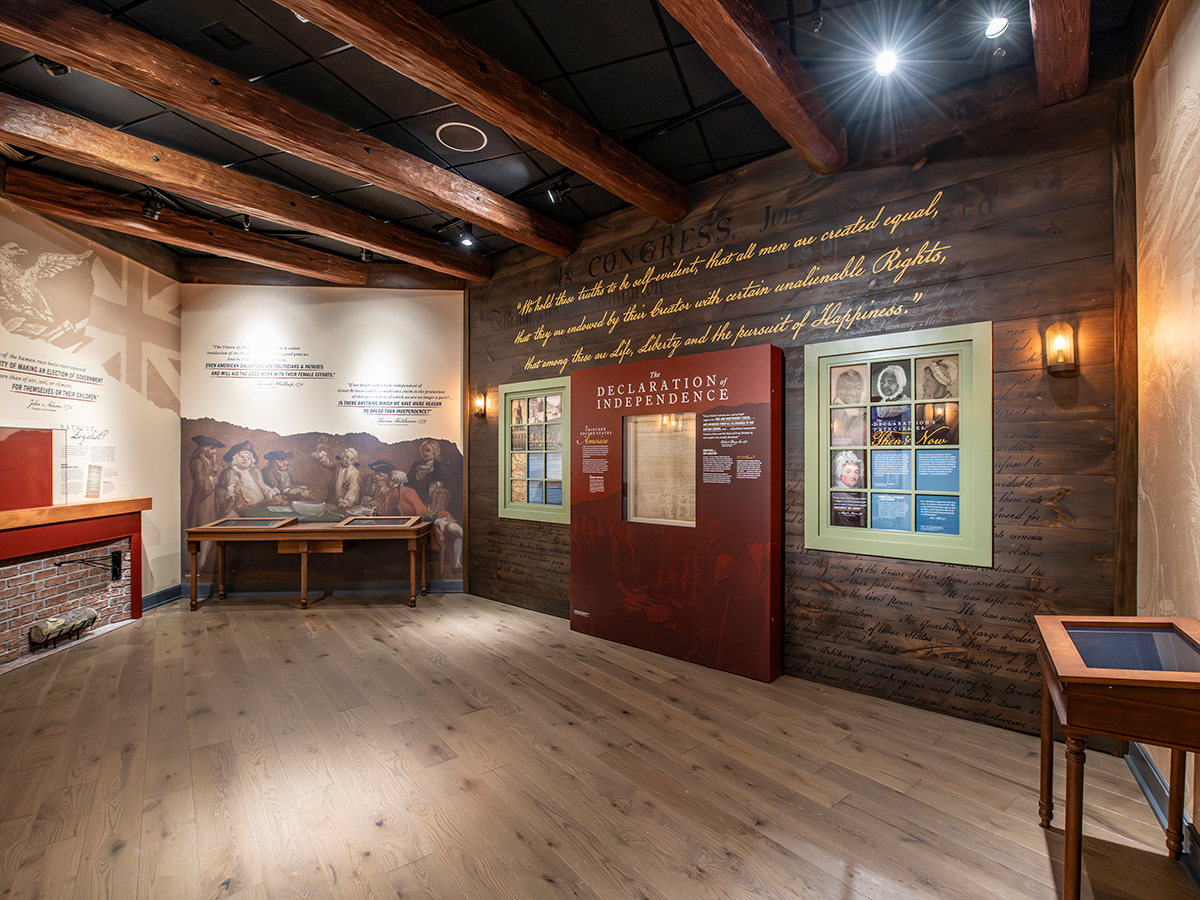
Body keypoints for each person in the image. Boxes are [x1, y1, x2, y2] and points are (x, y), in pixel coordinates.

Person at [216, 441, 279, 517]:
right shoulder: (230, 473)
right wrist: (233, 492)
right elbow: (224, 493)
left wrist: (270, 492)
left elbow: (262, 485)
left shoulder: (255, 471)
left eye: (248, 458)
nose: (245, 459)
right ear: (235, 459)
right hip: (239, 509)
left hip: (260, 505)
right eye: (242, 457)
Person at [312, 438, 363, 510]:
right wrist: (319, 450)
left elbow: (353, 489)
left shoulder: (354, 472)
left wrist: (346, 502)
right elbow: (326, 463)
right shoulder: (338, 465)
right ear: (342, 456)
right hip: (335, 500)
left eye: (351, 459)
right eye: (346, 457)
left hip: (346, 504)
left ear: (353, 461)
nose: (348, 460)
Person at [187, 435, 224, 527]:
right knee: (202, 524)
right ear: (203, 448)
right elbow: (200, 483)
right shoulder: (197, 462)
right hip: (201, 501)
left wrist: (215, 471)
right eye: (212, 448)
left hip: (209, 500)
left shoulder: (208, 462)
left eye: (215, 449)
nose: (214, 452)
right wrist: (212, 480)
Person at [408, 439, 450, 503]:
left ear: (434, 451)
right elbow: (409, 480)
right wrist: (417, 477)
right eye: (423, 450)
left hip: (431, 497)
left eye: (428, 450)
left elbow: (449, 481)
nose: (424, 453)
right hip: (417, 495)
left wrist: (437, 483)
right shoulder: (416, 465)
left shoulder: (438, 466)